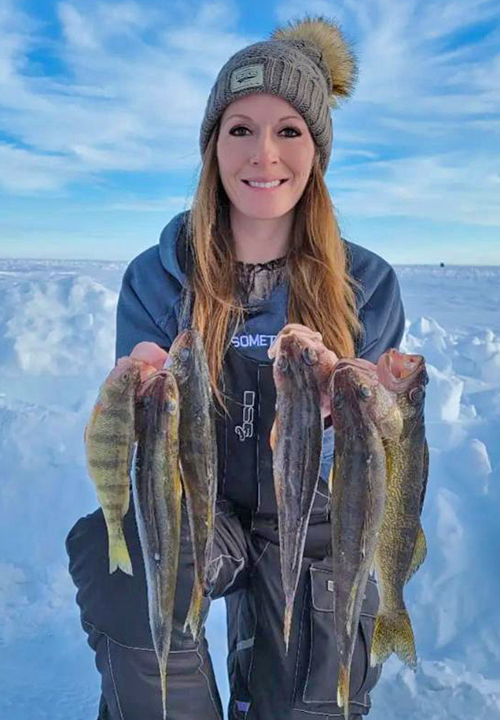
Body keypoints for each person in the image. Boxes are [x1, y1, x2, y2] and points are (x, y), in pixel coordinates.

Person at [66, 15, 405, 720]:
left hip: (313, 516)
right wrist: (132, 398)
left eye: (289, 130)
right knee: (118, 563)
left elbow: (386, 444)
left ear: (317, 150)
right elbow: (136, 447)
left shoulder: (367, 283)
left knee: (317, 689)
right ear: (212, 146)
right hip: (196, 506)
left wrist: (374, 408)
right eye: (240, 128)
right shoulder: (158, 278)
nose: (264, 154)